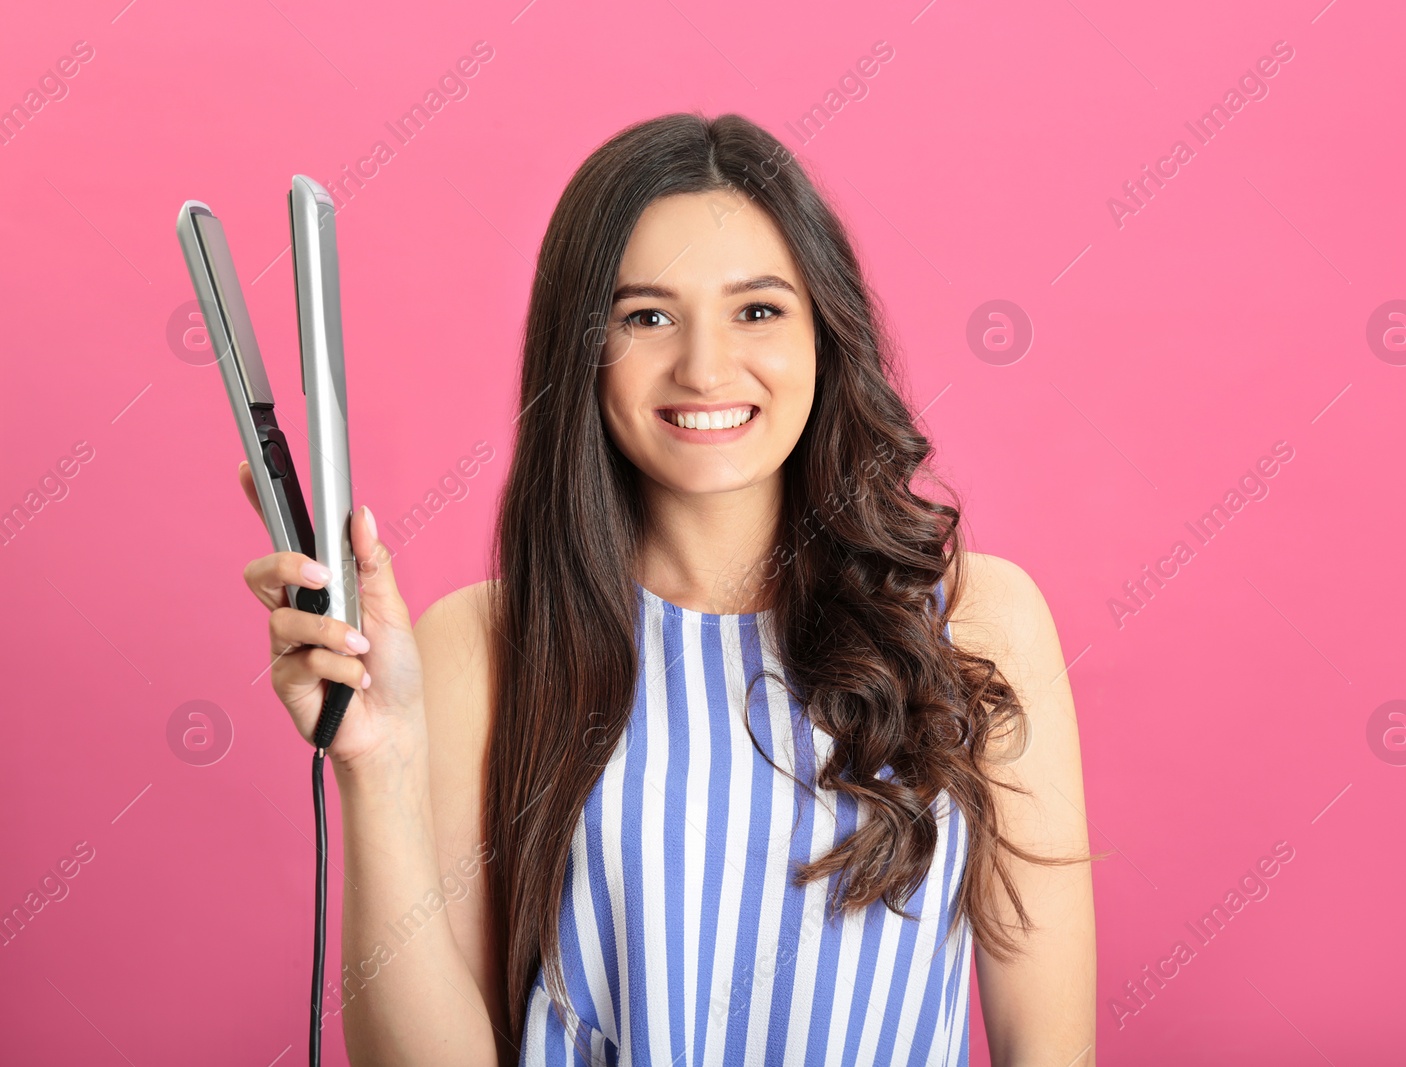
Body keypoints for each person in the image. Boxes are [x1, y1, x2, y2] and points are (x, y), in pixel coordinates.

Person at [239, 112, 1097, 1067]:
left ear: (826, 331)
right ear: (583, 350)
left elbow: (1048, 1048)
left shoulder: (981, 625)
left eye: (758, 309)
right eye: (646, 316)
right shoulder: (479, 646)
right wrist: (376, 762)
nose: (704, 366)